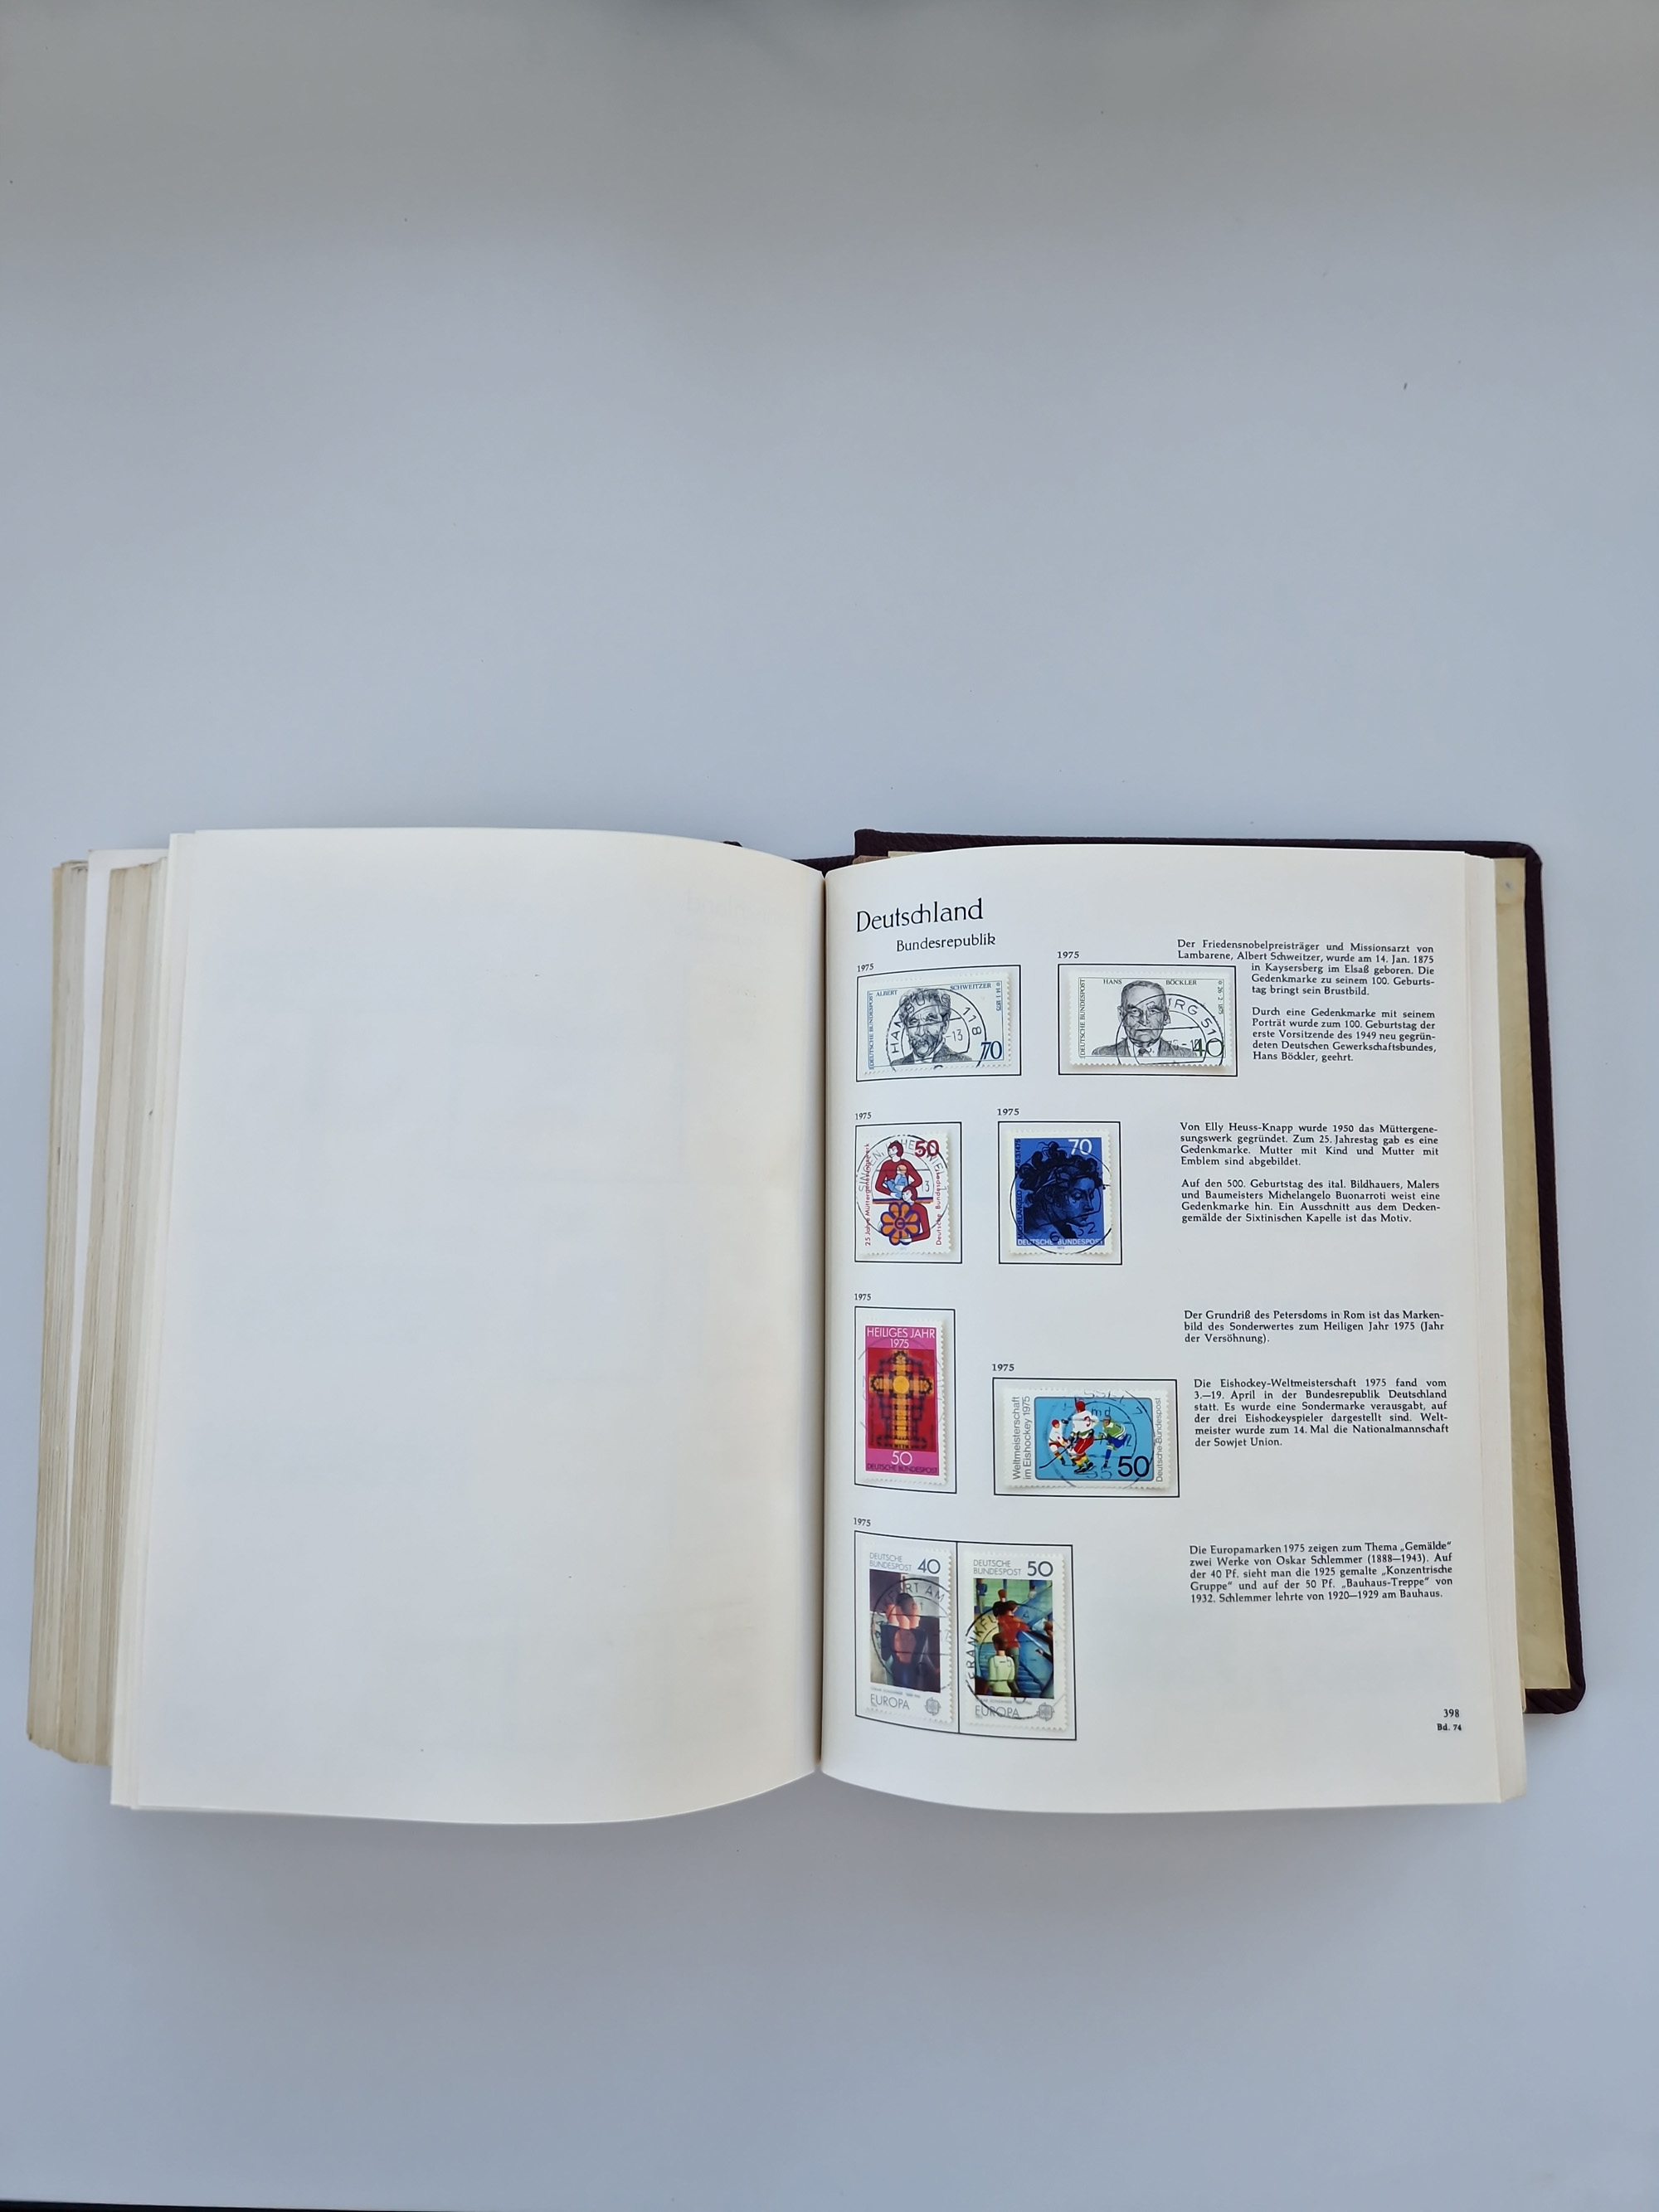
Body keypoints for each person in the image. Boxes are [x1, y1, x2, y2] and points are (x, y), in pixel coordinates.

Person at [1014, 1140, 1105, 1244]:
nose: (1090, 1206)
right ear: (1050, 1194)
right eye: (1078, 1196)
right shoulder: (1029, 1234)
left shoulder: (1064, 1234)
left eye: (1091, 1196)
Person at [1091, 980, 1205, 1061]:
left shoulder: (1187, 1057)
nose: (1144, 1020)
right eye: (1135, 1011)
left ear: (1166, 1016)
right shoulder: (1101, 1056)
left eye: (1153, 1011)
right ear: (1121, 1015)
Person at [889, 986, 970, 1068]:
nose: (921, 1032)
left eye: (930, 1020)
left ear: (945, 1024)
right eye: (913, 1022)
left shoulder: (964, 1063)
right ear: (906, 1028)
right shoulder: (896, 1066)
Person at [873, 1140, 931, 1243]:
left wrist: (907, 1189)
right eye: (889, 1149)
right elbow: (878, 1186)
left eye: (893, 1149)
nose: (890, 1151)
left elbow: (918, 1180)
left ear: (898, 1150)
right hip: (893, 1198)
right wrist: (891, 1193)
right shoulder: (886, 1165)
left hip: (905, 1197)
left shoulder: (906, 1164)